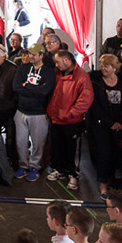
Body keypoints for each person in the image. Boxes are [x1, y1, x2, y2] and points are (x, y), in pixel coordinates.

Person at [87, 53, 122, 194]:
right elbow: (94, 105)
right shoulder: (96, 82)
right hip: (101, 123)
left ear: (115, 68)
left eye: (107, 66)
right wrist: (110, 123)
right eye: (102, 65)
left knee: (118, 152)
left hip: (120, 123)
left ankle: (116, 181)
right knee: (103, 152)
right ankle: (103, 182)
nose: (103, 68)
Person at [46, 51, 93, 191]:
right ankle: (59, 170)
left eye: (58, 62)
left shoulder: (82, 77)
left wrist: (70, 113)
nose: (56, 65)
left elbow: (86, 99)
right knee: (57, 146)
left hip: (72, 121)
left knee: (73, 149)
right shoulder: (57, 74)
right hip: (56, 118)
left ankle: (73, 174)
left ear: (67, 60)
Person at [13, 42, 55, 182]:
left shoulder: (48, 71)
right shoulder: (23, 68)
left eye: (33, 54)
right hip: (21, 111)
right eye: (29, 54)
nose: (30, 56)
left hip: (39, 113)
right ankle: (23, 166)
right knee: (20, 142)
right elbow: (16, 87)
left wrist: (27, 86)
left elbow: (45, 91)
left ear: (41, 55)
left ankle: (34, 167)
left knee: (38, 144)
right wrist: (36, 90)